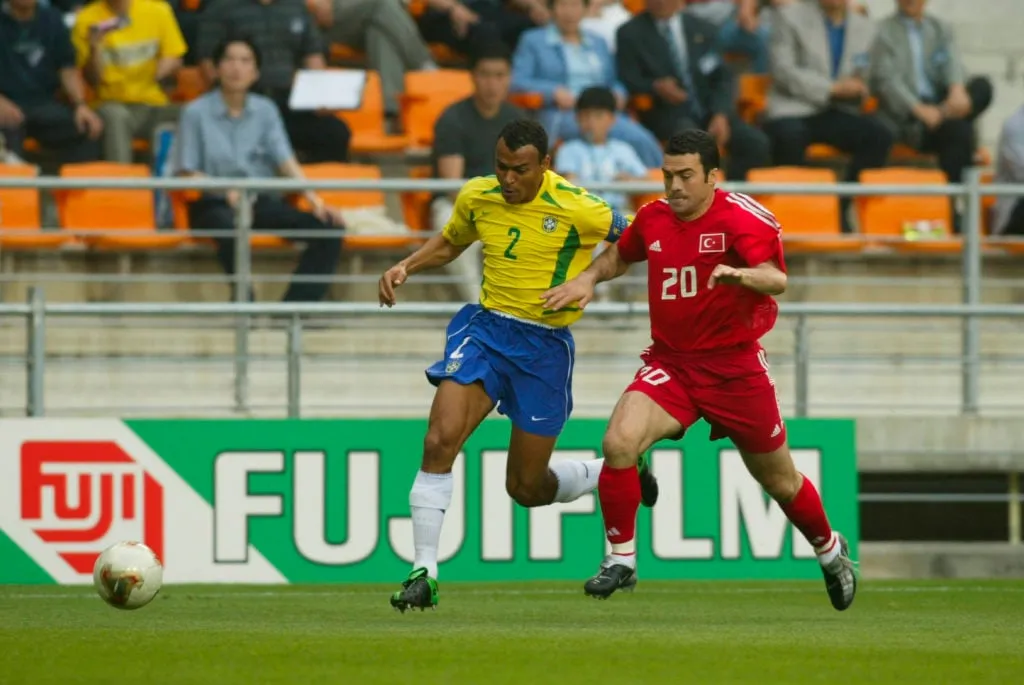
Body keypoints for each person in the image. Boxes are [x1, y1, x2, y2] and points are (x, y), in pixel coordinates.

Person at [542, 129, 857, 610]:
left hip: (734, 368)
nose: (674, 186)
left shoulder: (742, 217)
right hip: (673, 364)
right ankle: (621, 559)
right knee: (618, 441)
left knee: (779, 481)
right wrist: (587, 277)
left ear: (712, 176)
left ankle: (831, 551)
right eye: (667, 175)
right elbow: (620, 255)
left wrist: (739, 274)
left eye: (685, 176)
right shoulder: (652, 218)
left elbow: (777, 278)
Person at [378, 118, 659, 612]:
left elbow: (637, 240)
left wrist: (591, 278)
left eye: (520, 171)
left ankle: (614, 468)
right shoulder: (478, 195)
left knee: (526, 489)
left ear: (545, 166)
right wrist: (407, 265)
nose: (508, 180)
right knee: (438, 440)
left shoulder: (578, 205)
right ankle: (424, 570)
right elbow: (451, 241)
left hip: (544, 349)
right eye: (501, 167)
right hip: (486, 332)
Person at [175, 36, 344, 303]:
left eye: (245, 61)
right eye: (229, 60)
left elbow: (286, 161)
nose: (236, 68)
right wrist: (224, 190)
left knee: (328, 228)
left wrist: (315, 200)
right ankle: (245, 302)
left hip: (259, 201)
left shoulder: (266, 111)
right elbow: (186, 171)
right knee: (228, 226)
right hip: (215, 203)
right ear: (216, 69)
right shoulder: (195, 112)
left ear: (255, 73)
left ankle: (293, 309)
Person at [72, 0, 187, 163]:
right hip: (110, 104)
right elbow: (92, 80)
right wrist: (94, 48)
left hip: (153, 104)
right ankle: (122, 185)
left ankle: (166, 182)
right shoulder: (86, 19)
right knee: (116, 116)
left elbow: (175, 56)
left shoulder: (159, 11)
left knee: (193, 113)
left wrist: (162, 69)